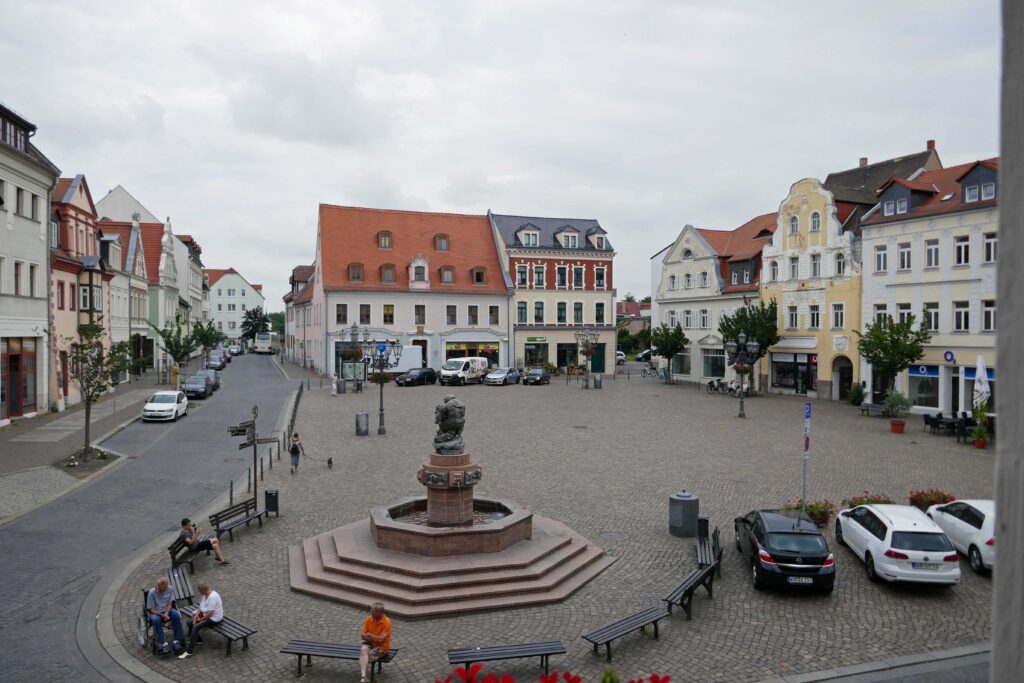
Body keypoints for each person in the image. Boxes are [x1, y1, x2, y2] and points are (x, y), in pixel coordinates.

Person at [177, 582, 223, 659]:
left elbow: (210, 614)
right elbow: (200, 608)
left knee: (196, 627)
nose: (199, 593)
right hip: (207, 616)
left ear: (203, 591)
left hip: (214, 619)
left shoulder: (212, 597)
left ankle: (189, 652)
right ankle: (198, 640)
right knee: (189, 622)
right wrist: (195, 619)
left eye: (200, 591)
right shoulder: (205, 595)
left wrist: (199, 620)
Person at [147, 575, 184, 655]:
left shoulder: (170, 589)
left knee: (176, 615)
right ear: (158, 586)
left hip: (167, 610)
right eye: (160, 589)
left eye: (164, 589)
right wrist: (162, 615)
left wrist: (166, 613)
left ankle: (177, 640)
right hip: (156, 612)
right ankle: (163, 643)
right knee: (156, 620)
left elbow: (170, 603)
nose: (162, 591)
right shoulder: (152, 593)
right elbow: (152, 609)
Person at [358, 602, 391, 683]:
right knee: (363, 650)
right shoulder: (369, 619)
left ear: (381, 613)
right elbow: (362, 636)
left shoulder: (387, 622)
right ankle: (363, 677)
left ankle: (365, 678)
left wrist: (370, 635)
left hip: (382, 647)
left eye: (375, 612)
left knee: (368, 656)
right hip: (370, 642)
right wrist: (371, 637)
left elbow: (381, 640)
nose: (372, 614)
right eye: (372, 611)